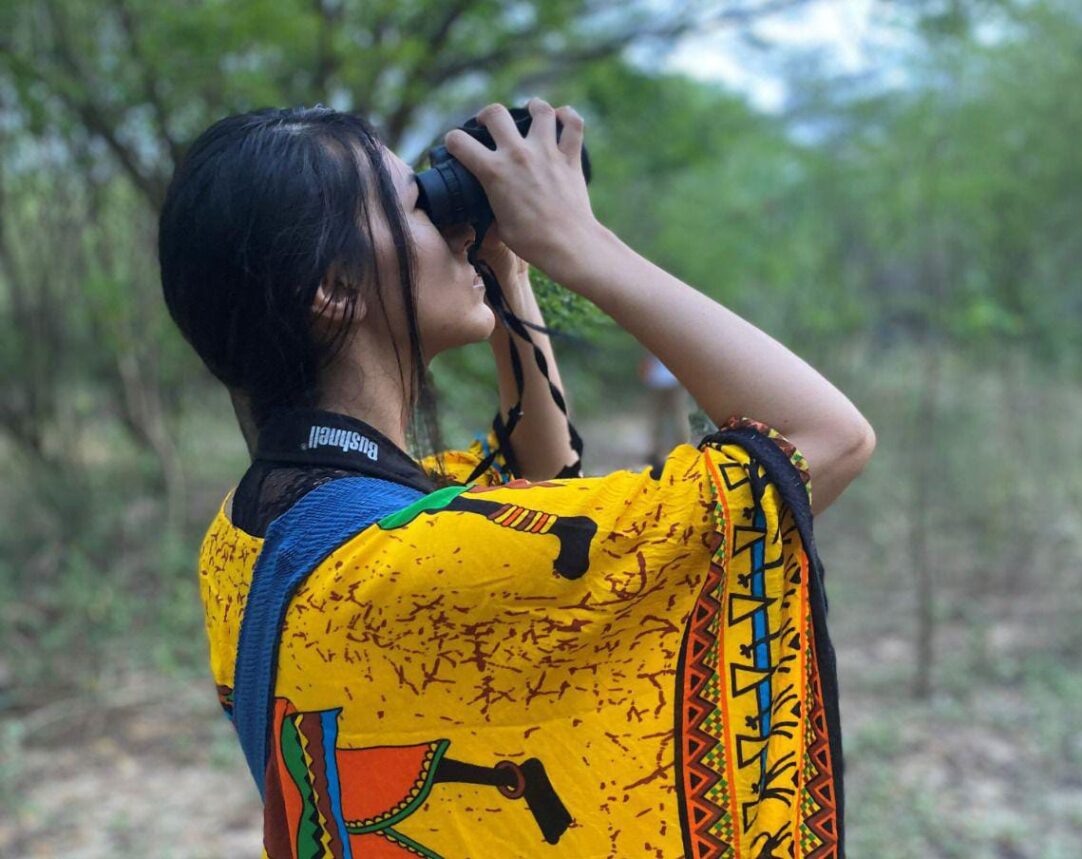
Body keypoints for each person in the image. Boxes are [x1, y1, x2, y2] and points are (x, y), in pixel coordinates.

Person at [159, 97, 874, 858]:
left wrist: (503, 262)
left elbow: (538, 469)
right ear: (333, 290)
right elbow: (824, 438)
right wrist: (581, 244)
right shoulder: (413, 565)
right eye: (418, 206)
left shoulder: (250, 533)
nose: (455, 224)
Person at [639, 351, 691, 468]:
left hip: (658, 379)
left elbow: (648, 356)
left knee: (659, 417)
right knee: (678, 415)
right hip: (674, 378)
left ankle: (658, 452)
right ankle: (683, 449)